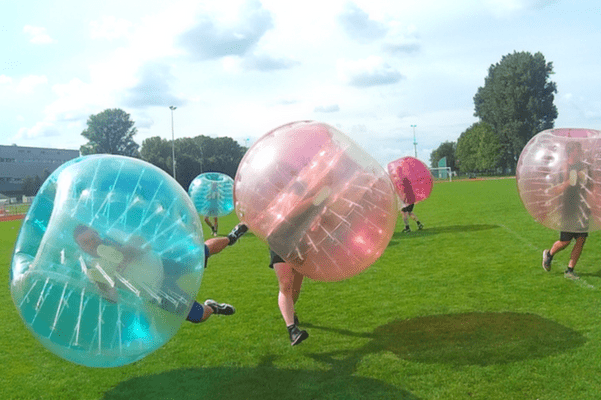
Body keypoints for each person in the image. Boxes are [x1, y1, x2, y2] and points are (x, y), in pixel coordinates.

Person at [73, 222, 248, 323]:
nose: (92, 243)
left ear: (97, 233)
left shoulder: (114, 236)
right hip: (156, 292)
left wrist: (122, 251)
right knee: (198, 316)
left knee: (204, 251)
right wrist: (101, 285)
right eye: (86, 243)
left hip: (163, 263)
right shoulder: (94, 269)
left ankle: (230, 238)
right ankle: (213, 307)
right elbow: (113, 299)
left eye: (93, 238)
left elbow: (144, 245)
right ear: (81, 248)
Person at [542, 141, 591, 280]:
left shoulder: (584, 167)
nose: (580, 152)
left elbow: (590, 186)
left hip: (581, 207)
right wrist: (569, 181)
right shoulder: (563, 167)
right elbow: (555, 190)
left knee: (581, 239)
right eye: (577, 149)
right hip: (567, 207)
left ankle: (570, 270)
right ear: (570, 151)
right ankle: (549, 254)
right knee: (565, 241)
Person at [269, 250, 309, 346]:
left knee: (296, 288)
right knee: (286, 283)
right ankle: (292, 330)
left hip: (300, 245)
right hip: (278, 243)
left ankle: (290, 312)